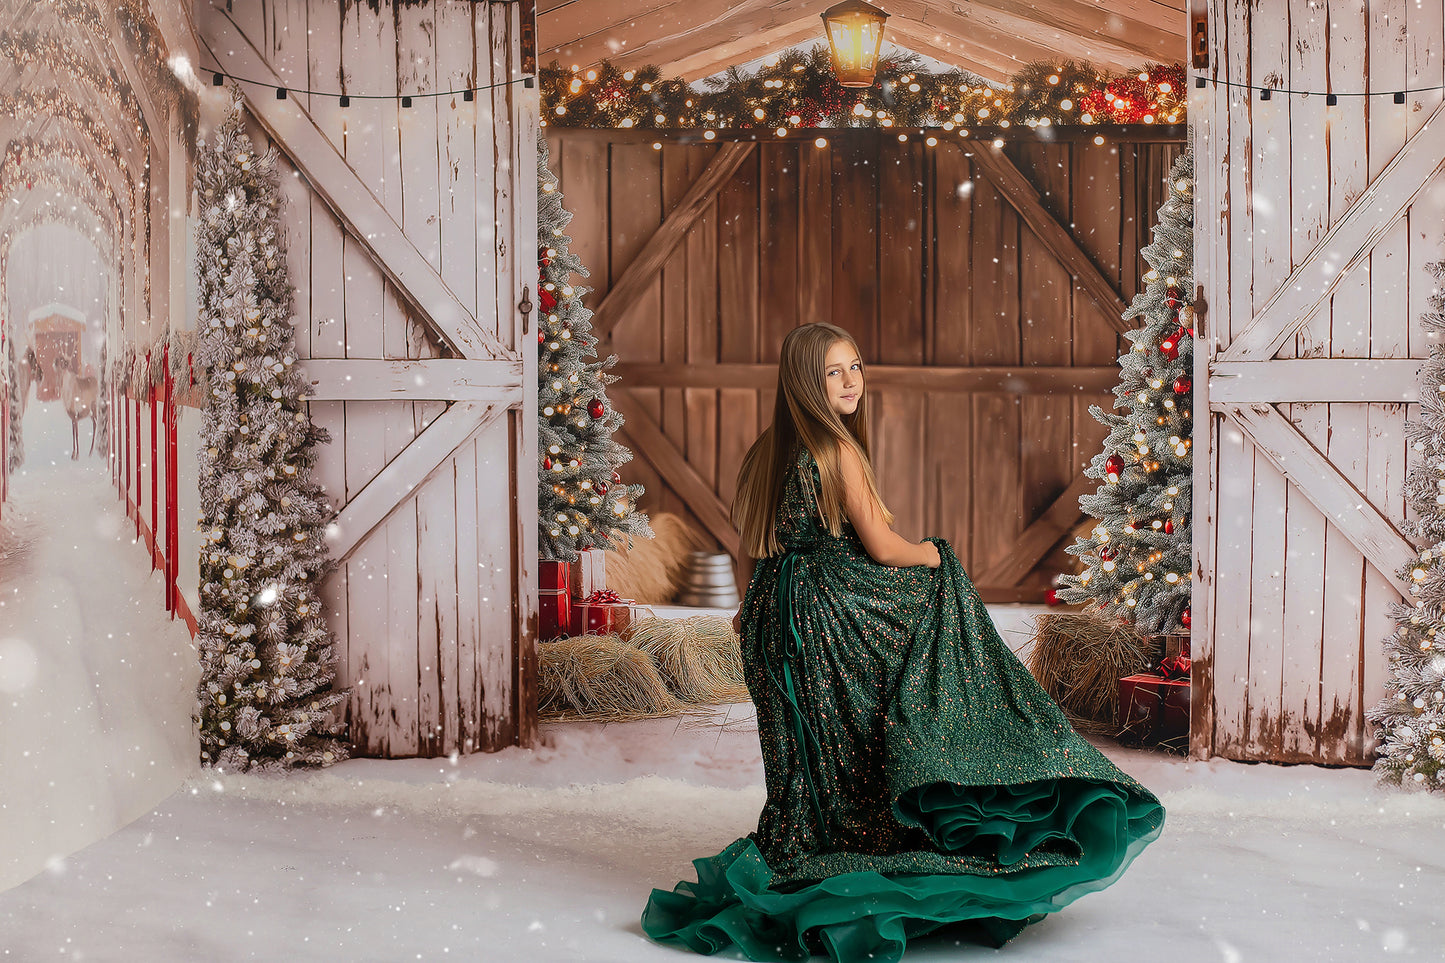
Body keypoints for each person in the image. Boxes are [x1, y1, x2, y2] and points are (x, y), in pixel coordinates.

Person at [641, 322, 1165, 962]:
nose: (850, 380)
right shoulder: (836, 452)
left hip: (774, 608)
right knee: (938, 611)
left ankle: (814, 833)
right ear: (805, 381)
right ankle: (947, 778)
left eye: (855, 366)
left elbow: (763, 546)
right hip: (828, 604)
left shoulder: (768, 452)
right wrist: (937, 556)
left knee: (815, 734)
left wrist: (755, 613)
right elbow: (884, 548)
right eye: (833, 371)